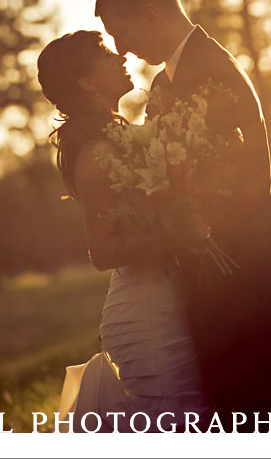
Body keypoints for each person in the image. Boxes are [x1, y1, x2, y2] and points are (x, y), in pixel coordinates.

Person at [94, 0, 271, 432]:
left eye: (120, 30)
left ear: (151, 14)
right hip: (218, 286)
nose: (120, 47)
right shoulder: (171, 78)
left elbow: (238, 182)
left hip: (243, 285)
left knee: (267, 420)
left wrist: (178, 224)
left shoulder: (208, 71)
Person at [37, 30, 212, 432]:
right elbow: (102, 252)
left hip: (169, 299)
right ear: (86, 81)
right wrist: (178, 230)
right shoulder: (97, 154)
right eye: (104, 53)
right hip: (148, 314)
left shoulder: (122, 138)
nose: (119, 56)